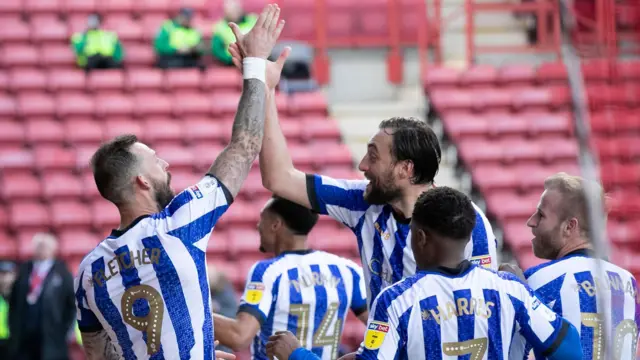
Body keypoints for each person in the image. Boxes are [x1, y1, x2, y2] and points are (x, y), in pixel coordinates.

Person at [73, 4, 287, 359]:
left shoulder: (88, 271)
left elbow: (98, 354)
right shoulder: (177, 223)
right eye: (157, 161)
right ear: (142, 180)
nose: (166, 163)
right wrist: (255, 65)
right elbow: (246, 144)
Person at [227, 41, 498, 313]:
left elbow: (489, 309)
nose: (362, 165)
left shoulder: (468, 221)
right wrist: (266, 89)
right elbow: (279, 179)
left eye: (374, 156)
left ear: (406, 169)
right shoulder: (362, 203)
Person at [266, 187, 584, 360]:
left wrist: (297, 353)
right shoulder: (510, 290)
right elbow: (569, 346)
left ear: (418, 236)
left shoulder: (397, 301)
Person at [213, 196, 368, 359]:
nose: (258, 226)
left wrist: (195, 314)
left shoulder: (268, 271)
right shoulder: (347, 270)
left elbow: (239, 336)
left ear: (275, 225)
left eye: (262, 219)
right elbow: (382, 326)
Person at [519, 172, 639, 359]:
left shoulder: (539, 280)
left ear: (569, 227)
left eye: (541, 215)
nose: (531, 221)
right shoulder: (629, 284)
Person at [8, 233, 76, 360]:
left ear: (53, 249)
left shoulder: (62, 272)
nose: (42, 249)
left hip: (52, 337)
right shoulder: (24, 269)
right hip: (24, 335)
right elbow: (14, 301)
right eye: (39, 246)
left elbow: (71, 305)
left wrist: (65, 331)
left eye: (45, 246)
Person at [212, 0, 258, 66]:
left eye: (235, 9)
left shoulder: (252, 20)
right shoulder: (219, 27)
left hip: (254, 60)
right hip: (230, 62)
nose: (233, 13)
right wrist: (231, 59)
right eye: (230, 10)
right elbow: (217, 50)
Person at [0, 260, 16, 359]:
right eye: (2, 274)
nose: (5, 278)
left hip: (14, 342)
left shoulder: (21, 296)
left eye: (8, 273)